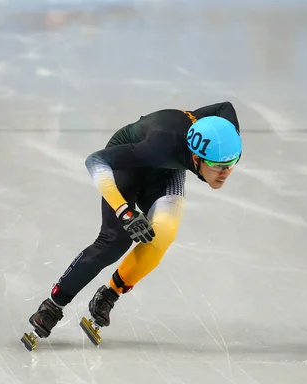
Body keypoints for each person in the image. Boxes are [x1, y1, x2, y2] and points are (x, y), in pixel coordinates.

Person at [26, 101, 242, 342]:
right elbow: (95, 162)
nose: (225, 173)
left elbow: (225, 107)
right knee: (114, 242)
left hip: (167, 170)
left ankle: (109, 294)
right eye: (217, 166)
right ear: (195, 157)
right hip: (128, 161)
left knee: (164, 232)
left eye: (232, 164)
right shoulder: (159, 145)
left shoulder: (224, 135)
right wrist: (124, 212)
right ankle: (52, 306)